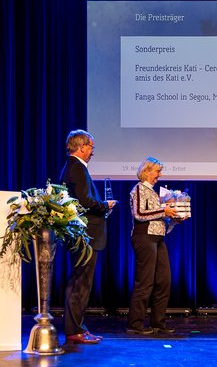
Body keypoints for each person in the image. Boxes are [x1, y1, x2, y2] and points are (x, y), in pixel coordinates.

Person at [59, 129, 117, 344]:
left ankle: (77, 328)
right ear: (82, 147)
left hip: (84, 234)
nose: (93, 152)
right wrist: (105, 205)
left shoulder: (72, 166)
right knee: (81, 283)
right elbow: (84, 201)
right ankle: (74, 330)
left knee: (80, 282)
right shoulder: (77, 167)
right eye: (92, 147)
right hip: (86, 235)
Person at [126, 156, 188, 335]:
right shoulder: (139, 189)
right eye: (157, 171)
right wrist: (163, 210)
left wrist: (174, 218)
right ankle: (135, 324)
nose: (159, 175)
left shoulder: (153, 192)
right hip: (144, 237)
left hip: (158, 238)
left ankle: (158, 323)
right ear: (147, 171)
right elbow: (139, 214)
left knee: (163, 281)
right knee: (145, 282)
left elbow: (158, 218)